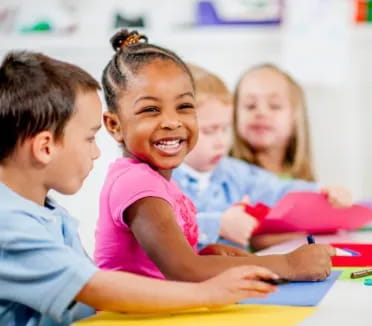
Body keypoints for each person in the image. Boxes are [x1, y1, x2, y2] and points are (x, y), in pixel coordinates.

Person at [0, 50, 277, 326]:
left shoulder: (45, 211)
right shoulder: (9, 225)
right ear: (45, 147)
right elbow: (95, 289)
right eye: (89, 139)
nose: (96, 153)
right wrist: (206, 292)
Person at [95, 29, 335, 283]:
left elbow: (175, 262)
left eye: (184, 106)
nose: (171, 122)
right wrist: (288, 264)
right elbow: (184, 270)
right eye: (151, 109)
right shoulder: (137, 184)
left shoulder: (162, 181)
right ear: (114, 126)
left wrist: (209, 254)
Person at [173, 64, 351, 250]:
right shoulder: (165, 178)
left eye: (225, 129)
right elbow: (159, 227)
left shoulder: (234, 171)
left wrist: (323, 192)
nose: (221, 142)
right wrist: (217, 225)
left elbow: (278, 190)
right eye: (209, 131)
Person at [231, 64, 316, 181]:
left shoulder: (303, 184)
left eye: (275, 106)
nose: (261, 112)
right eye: (250, 106)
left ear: (295, 118)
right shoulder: (225, 178)